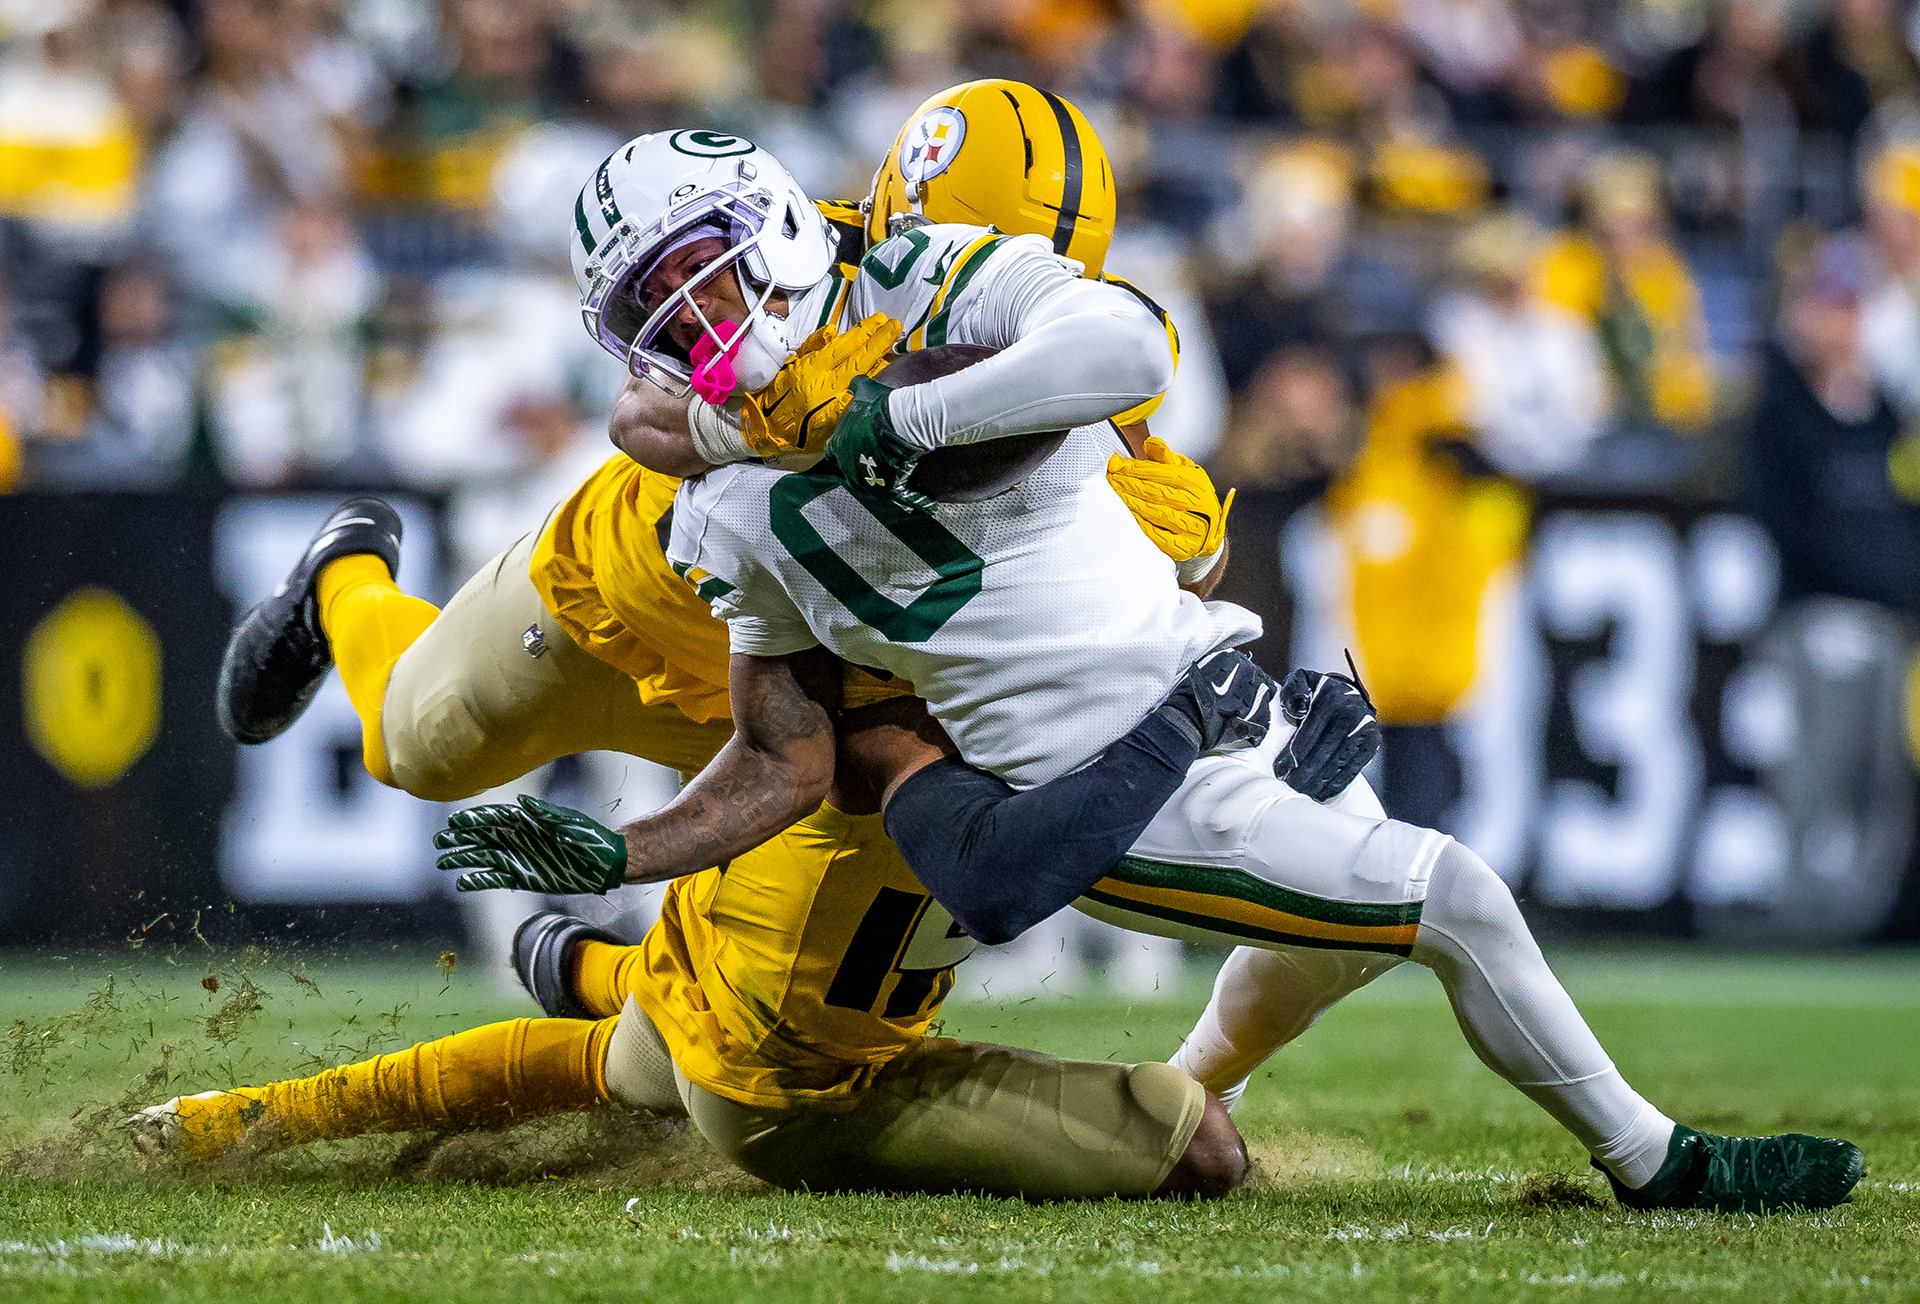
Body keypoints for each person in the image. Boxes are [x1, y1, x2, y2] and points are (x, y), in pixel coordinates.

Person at [438, 127, 1863, 1216]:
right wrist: (623, 848)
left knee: (1334, 921)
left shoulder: (922, 278)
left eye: (702, 267)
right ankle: (1655, 1160)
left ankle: (1185, 1079)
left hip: (1202, 678)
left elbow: (1125, 343)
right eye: (656, 303)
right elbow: (782, 754)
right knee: (1454, 895)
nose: (696, 317)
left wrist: (901, 421)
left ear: (782, 224)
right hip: (1105, 778)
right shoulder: (726, 514)